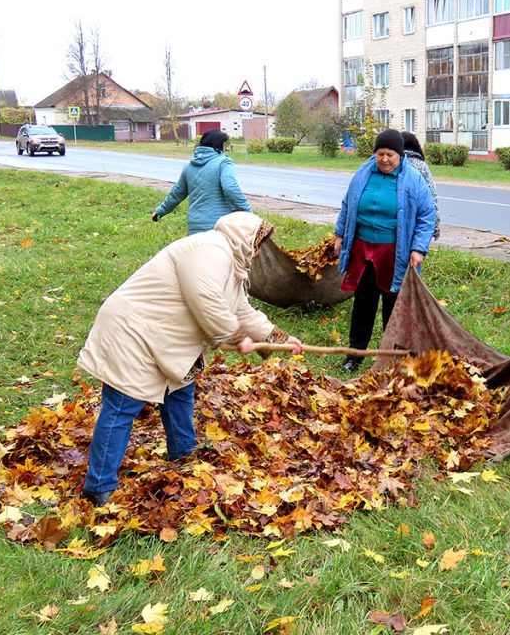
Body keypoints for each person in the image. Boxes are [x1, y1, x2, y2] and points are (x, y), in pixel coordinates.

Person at [78, 212, 303, 506]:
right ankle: (99, 486)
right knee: (122, 406)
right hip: (133, 331)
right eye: (258, 243)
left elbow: (240, 309)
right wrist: (235, 337)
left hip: (163, 338)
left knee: (180, 392)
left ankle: (183, 457)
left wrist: (279, 338)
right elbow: (205, 299)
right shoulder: (210, 250)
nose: (258, 251)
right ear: (245, 239)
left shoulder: (230, 263)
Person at [334, 128, 436, 373]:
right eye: (380, 154)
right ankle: (355, 355)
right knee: (363, 304)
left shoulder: (413, 179)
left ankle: (393, 357)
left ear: (400, 155)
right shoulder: (363, 173)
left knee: (394, 305)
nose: (385, 159)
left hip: (395, 253)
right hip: (363, 249)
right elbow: (348, 204)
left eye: (390, 154)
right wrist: (339, 234)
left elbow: (426, 215)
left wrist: (418, 248)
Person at [151, 129, 251, 234]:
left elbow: (177, 193)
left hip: (195, 225)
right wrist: (247, 210)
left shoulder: (189, 166)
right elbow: (230, 187)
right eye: (224, 145)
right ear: (219, 146)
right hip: (220, 226)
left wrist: (160, 211)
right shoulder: (223, 162)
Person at [401, 132, 441, 241]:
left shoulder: (395, 164)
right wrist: (435, 224)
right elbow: (432, 195)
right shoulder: (422, 166)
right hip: (418, 218)